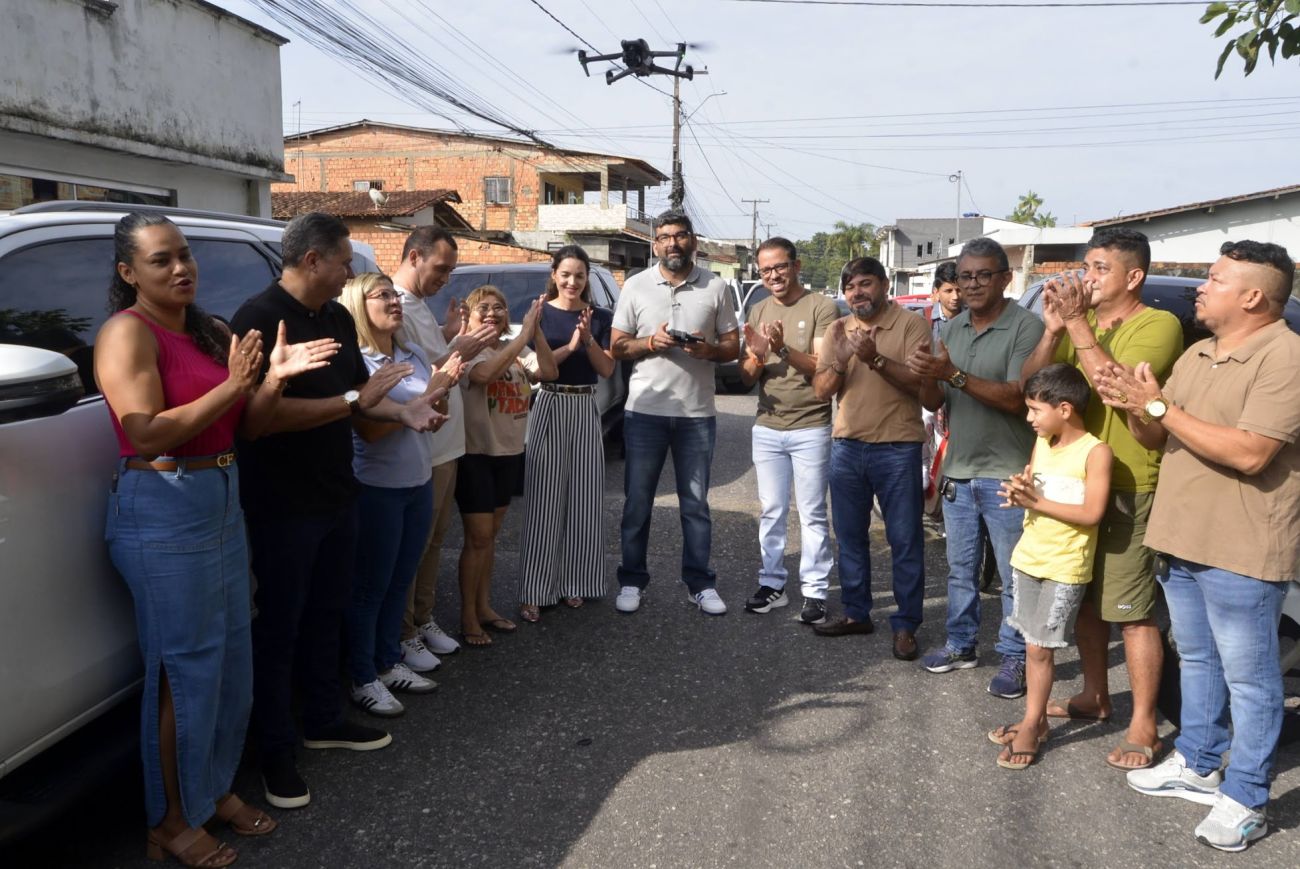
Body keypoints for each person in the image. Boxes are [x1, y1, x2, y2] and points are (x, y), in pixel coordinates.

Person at [95, 213, 340, 865]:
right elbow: (145, 430)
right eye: (161, 260)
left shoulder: (211, 331)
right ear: (128, 272)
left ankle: (212, 791)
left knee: (231, 662)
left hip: (222, 496)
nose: (181, 268)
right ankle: (170, 820)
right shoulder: (127, 332)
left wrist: (272, 380)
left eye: (185, 254)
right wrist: (234, 384)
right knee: (185, 671)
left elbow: (250, 426)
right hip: (164, 504)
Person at [231, 212, 445, 811]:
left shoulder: (333, 317)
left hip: (337, 492)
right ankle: (275, 751)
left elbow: (361, 402)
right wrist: (354, 399)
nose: (350, 272)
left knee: (327, 614)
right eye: (345, 261)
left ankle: (323, 719)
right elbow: (258, 420)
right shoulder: (258, 318)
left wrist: (403, 413)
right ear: (312, 260)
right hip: (283, 504)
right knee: (281, 627)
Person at [1096, 241, 1300, 852]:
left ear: (1253, 296)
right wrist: (1135, 406)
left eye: (1214, 279)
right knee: (1198, 660)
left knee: (1251, 679)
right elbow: (1156, 436)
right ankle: (1198, 762)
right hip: (1181, 536)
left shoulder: (1285, 357)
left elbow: (1251, 452)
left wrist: (1157, 405)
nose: (1201, 288)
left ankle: (1246, 797)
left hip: (1242, 547)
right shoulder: (1198, 352)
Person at [1018, 228, 1183, 770]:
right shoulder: (1075, 324)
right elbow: (1032, 386)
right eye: (1086, 266)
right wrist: (1052, 331)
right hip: (1069, 482)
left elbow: (1114, 387)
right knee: (1088, 602)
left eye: (1099, 268)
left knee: (1131, 612)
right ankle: (1094, 694)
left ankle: (1144, 724)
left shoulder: (1158, 325)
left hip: (1129, 486)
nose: (1086, 278)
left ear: (1133, 277)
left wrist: (1077, 324)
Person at [907, 237, 1045, 697]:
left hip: (1009, 473)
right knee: (960, 570)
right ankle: (961, 644)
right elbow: (935, 401)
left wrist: (952, 374)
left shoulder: (1026, 327)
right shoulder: (951, 328)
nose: (973, 284)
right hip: (960, 471)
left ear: (1005, 278)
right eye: (965, 276)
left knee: (1013, 575)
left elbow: (1018, 398)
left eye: (984, 275)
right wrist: (928, 374)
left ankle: (1015, 656)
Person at [339, 273, 462, 717]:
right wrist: (429, 393)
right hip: (378, 489)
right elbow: (369, 430)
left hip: (418, 480)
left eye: (395, 294)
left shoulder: (410, 353)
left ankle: (388, 661)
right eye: (383, 295)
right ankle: (362, 675)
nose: (394, 301)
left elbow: (432, 410)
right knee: (370, 586)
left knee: (400, 579)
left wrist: (440, 393)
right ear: (360, 304)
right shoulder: (360, 362)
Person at [609, 211, 740, 616]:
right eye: (664, 237)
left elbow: (733, 347)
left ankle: (700, 583)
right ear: (655, 245)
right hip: (644, 413)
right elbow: (617, 346)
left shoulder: (716, 286)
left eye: (680, 236)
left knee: (695, 505)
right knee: (637, 503)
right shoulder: (635, 285)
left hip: (697, 415)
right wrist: (651, 342)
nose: (672, 243)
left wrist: (708, 350)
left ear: (693, 242)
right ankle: (632, 579)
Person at [987, 364, 1112, 769]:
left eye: (1035, 410)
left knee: (1040, 649)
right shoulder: (1042, 442)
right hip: (1029, 558)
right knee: (1031, 644)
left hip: (1064, 566)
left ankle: (1031, 723)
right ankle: (1037, 720)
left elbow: (1092, 513)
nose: (1029, 418)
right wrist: (1019, 491)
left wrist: (1035, 501)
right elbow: (1033, 487)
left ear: (1065, 409)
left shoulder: (1096, 452)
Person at [811, 257, 932, 659]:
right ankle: (856, 612)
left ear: (884, 285)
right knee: (849, 538)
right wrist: (843, 357)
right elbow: (821, 391)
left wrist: (875, 358)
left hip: (898, 448)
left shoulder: (911, 325)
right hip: (847, 447)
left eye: (865, 283)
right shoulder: (838, 329)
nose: (857, 293)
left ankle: (906, 624)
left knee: (905, 540)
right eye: (850, 287)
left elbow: (922, 386)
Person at [391, 227, 496, 671]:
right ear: (414, 256)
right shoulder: (393, 304)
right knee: (413, 548)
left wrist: (446, 334)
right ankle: (403, 633)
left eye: (451, 270)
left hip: (448, 444)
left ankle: (422, 617)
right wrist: (459, 347)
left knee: (435, 541)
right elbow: (413, 374)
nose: (446, 279)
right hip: (425, 446)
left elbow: (428, 353)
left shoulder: (418, 305)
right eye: (441, 268)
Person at [736, 238, 838, 624]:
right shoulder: (759, 308)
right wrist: (758, 354)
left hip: (811, 424)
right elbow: (747, 375)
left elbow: (822, 365)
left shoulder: (820, 306)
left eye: (780, 266)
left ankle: (815, 591)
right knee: (772, 511)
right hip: (767, 425)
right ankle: (772, 583)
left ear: (796, 266)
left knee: (812, 512)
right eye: (765, 270)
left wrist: (780, 349)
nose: (773, 275)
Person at [517, 245, 615, 623]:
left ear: (587, 278)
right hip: (549, 402)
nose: (572, 282)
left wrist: (587, 339)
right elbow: (533, 371)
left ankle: (576, 582)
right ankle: (535, 590)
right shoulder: (540, 313)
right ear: (554, 275)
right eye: (566, 274)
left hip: (585, 405)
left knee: (584, 499)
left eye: (579, 275)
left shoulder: (600, 317)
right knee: (543, 500)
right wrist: (570, 346)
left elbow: (606, 369)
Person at [455, 285, 557, 645]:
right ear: (470, 315)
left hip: (509, 453)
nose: (492, 313)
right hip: (476, 455)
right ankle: (468, 616)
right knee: (478, 538)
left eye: (499, 307)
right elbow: (484, 376)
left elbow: (549, 371)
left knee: (490, 538)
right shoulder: (466, 348)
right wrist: (522, 338)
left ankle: (484, 607)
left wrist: (535, 332)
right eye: (483, 308)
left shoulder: (515, 350)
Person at [922, 262, 963, 510]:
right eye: (949, 290)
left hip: (959, 392)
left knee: (948, 446)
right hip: (928, 392)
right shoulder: (923, 319)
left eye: (959, 290)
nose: (955, 296)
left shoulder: (972, 319)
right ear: (936, 292)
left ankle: (943, 503)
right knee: (922, 436)